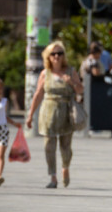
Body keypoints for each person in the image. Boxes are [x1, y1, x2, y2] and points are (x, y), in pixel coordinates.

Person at [26, 41, 84, 188]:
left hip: (66, 112)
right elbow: (38, 94)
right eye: (53, 54)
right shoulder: (45, 73)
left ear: (63, 56)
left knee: (66, 147)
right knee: (49, 146)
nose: (57, 56)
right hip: (48, 111)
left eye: (60, 53)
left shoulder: (71, 71)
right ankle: (53, 177)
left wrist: (71, 82)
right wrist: (30, 114)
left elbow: (80, 90)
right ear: (48, 56)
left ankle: (65, 168)